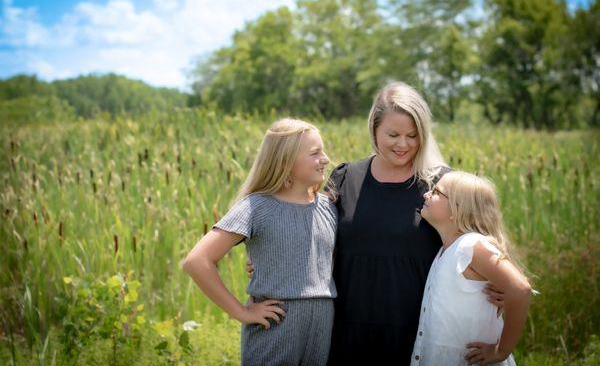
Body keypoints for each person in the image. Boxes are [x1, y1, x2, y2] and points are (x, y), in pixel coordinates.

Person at [246, 82, 505, 365]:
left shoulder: (441, 186)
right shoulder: (346, 177)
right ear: (374, 130)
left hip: (417, 327)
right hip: (346, 325)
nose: (403, 144)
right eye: (393, 134)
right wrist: (269, 258)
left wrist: (495, 286)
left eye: (412, 135)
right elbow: (308, 225)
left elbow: (478, 240)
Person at [181, 117, 338, 366]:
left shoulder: (328, 207)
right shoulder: (257, 207)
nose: (325, 159)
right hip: (276, 327)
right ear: (285, 161)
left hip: (321, 329)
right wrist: (241, 312)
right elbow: (197, 261)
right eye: (314, 153)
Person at [411, 171, 532, 365]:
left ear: (458, 208)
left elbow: (520, 290)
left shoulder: (470, 245)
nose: (426, 194)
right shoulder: (446, 250)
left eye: (436, 192)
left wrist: (501, 351)